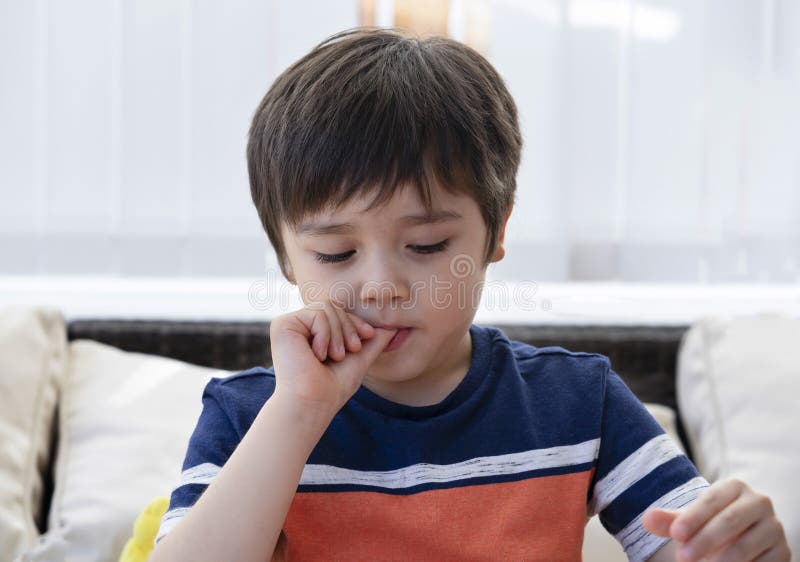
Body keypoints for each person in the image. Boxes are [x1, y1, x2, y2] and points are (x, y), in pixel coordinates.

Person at [148, 27, 791, 562]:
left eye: (426, 245)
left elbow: (688, 544)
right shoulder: (249, 416)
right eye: (336, 254)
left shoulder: (577, 403)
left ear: (496, 230)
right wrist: (298, 413)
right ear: (287, 258)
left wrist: (733, 545)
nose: (380, 286)